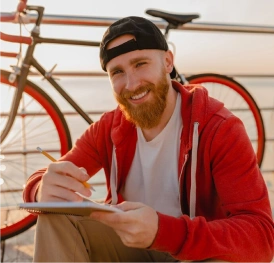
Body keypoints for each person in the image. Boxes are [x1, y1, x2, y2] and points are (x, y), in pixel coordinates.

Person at [23, 16, 274, 263]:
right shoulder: (109, 127)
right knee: (54, 216)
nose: (131, 84)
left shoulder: (219, 128)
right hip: (128, 246)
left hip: (195, 253)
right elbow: (52, 177)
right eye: (117, 72)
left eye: (140, 63)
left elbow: (262, 237)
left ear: (167, 62)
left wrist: (164, 232)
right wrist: (40, 189)